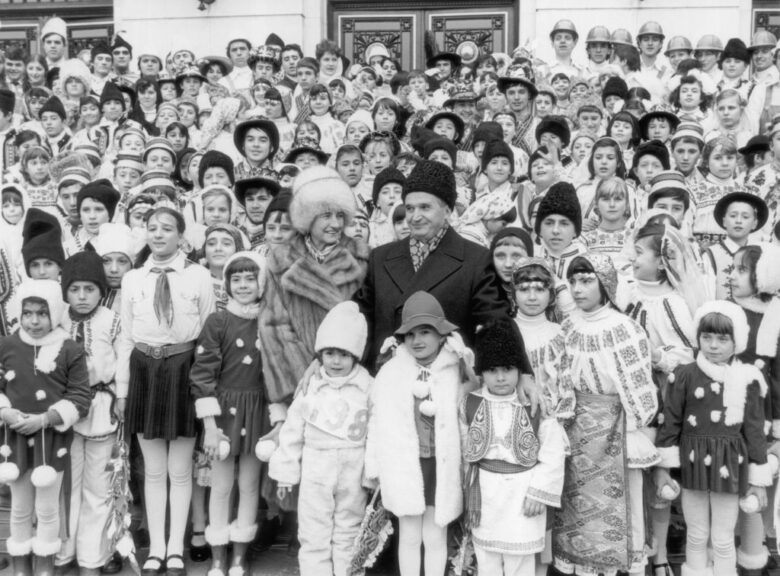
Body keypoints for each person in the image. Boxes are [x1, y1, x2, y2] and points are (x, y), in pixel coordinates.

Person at [115, 207, 216, 576]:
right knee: (153, 469)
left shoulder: (199, 276)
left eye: (167, 229)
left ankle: (176, 546)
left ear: (181, 236)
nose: (158, 235)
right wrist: (123, 391)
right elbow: (126, 336)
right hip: (144, 370)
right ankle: (156, 547)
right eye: (152, 228)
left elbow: (208, 335)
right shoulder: (133, 279)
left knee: (179, 468)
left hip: (183, 369)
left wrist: (205, 388)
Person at [553, 252, 659, 576]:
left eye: (586, 280)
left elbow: (638, 383)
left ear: (605, 283)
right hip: (576, 426)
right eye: (572, 281)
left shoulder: (625, 328)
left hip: (617, 426)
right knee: (576, 509)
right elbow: (560, 375)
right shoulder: (568, 326)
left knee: (623, 504)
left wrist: (632, 422)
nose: (578, 288)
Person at [354, 159, 510, 368]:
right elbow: (357, 321)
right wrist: (322, 360)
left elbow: (496, 325)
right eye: (409, 208)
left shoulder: (475, 259)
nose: (415, 217)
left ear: (447, 211)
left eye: (425, 207)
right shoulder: (380, 258)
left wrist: (519, 370)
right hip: (387, 383)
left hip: (448, 384)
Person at [655, 301, 772, 576]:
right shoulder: (683, 376)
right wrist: (663, 469)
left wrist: (759, 481)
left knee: (722, 537)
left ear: (736, 341)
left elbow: (754, 431)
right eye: (706, 337)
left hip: (729, 466)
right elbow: (670, 424)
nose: (713, 345)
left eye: (722, 338)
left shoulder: (747, 378)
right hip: (692, 464)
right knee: (695, 534)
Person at [365, 291, 474, 576]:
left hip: (442, 466)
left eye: (425, 332)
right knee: (410, 536)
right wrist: (374, 466)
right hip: (404, 465)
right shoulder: (391, 373)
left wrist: (467, 466)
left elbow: (465, 418)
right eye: (410, 334)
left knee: (436, 536)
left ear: (442, 336)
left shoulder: (453, 372)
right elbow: (377, 421)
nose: (418, 340)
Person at [269, 301, 372, 576]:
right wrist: (285, 474)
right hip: (316, 467)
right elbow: (292, 430)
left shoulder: (367, 387)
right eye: (329, 353)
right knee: (313, 531)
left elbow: (376, 431)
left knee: (349, 530)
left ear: (355, 356)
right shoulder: (311, 386)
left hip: (353, 469)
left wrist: (373, 473)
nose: (335, 361)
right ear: (320, 355)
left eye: (343, 354)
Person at [0, 279, 90, 576]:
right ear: (19, 314)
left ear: (54, 313)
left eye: (42, 313)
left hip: (51, 438)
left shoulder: (70, 349)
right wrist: (6, 411)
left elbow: (79, 396)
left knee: (48, 507)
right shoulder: (7, 345)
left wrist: (46, 418)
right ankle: (21, 565)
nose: (34, 321)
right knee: (21, 504)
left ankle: (44, 566)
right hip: (13, 436)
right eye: (28, 313)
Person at [190, 251, 267, 576]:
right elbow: (203, 372)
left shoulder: (269, 321)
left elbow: (276, 373)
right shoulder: (218, 321)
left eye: (250, 278)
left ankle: (239, 553)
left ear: (261, 282)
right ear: (227, 284)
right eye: (236, 279)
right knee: (221, 484)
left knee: (249, 484)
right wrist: (209, 425)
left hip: (258, 409)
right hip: (223, 412)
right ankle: (218, 554)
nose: (243, 285)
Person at [57, 252, 123, 576]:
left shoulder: (111, 320)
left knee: (98, 486)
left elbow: (122, 362)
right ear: (65, 291)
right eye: (75, 289)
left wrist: (121, 397)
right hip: (64, 410)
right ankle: (62, 553)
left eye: (89, 289)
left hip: (100, 408)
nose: (82, 297)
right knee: (66, 484)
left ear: (100, 290)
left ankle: (92, 558)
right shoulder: (56, 320)